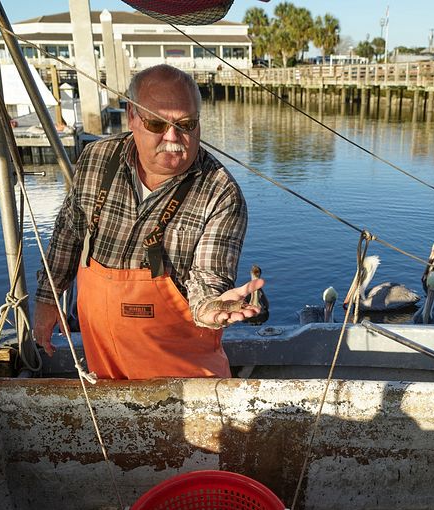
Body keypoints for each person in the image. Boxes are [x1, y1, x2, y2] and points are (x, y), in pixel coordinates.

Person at [32, 64, 262, 379]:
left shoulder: (220, 193)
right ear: (131, 117)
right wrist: (47, 301)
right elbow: (67, 237)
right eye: (157, 123)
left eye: (186, 124)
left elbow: (209, 282)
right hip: (104, 367)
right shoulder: (97, 159)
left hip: (182, 378)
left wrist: (212, 310)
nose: (173, 138)